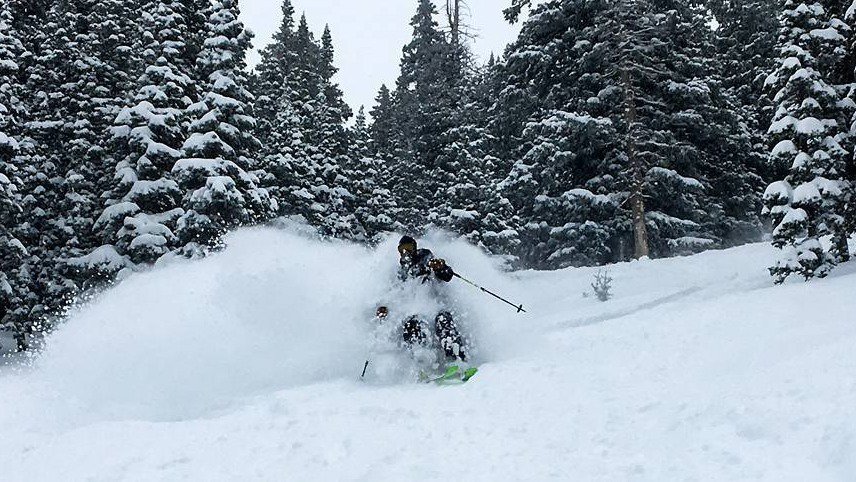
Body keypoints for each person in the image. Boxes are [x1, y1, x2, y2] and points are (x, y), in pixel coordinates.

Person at [394, 235, 467, 362]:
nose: (405, 252)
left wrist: (441, 267)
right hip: (415, 310)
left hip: (436, 305)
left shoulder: (426, 257)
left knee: (443, 321)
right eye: (402, 249)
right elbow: (394, 294)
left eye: (408, 248)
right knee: (411, 324)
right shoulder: (401, 272)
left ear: (415, 248)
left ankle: (456, 360)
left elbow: (446, 275)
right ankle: (421, 365)